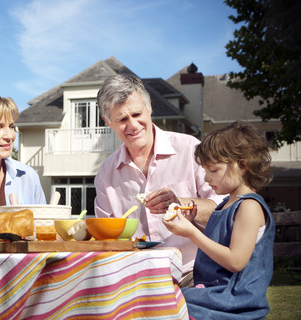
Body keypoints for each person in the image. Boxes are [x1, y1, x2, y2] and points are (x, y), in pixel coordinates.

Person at [94, 74, 224, 281]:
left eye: (137, 114)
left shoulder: (191, 150)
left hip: (195, 273)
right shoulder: (106, 175)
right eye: (122, 119)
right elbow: (107, 240)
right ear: (108, 122)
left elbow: (225, 209)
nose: (133, 125)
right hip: (136, 278)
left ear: (150, 107)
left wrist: (181, 204)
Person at [163, 121, 275, 319]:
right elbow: (220, 242)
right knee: (159, 297)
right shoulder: (226, 204)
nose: (206, 178)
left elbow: (235, 261)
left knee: (164, 305)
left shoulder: (249, 207)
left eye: (213, 170)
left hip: (235, 302)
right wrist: (191, 223)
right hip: (215, 294)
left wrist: (192, 233)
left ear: (242, 166)